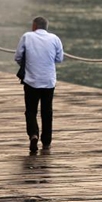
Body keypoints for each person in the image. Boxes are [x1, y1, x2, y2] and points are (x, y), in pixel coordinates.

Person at [14, 16, 64, 153]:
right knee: (47, 111)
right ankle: (46, 141)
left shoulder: (27, 37)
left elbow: (18, 56)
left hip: (31, 80)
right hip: (48, 81)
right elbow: (59, 58)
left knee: (31, 110)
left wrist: (28, 64)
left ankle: (33, 134)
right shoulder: (55, 39)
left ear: (34, 26)